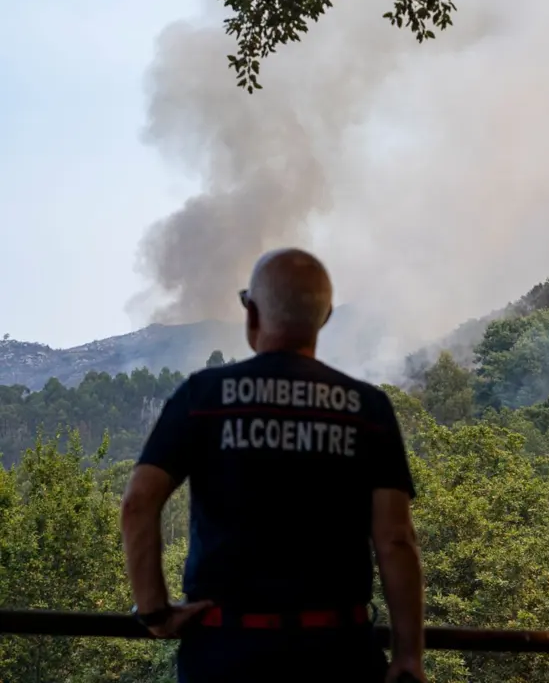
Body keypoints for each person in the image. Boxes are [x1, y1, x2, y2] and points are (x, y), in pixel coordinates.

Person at [120, 248, 425, 683]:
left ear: (252, 314)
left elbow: (138, 503)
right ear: (324, 318)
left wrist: (154, 612)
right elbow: (395, 539)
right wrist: (408, 655)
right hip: (338, 653)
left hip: (224, 653)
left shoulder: (203, 397)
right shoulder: (367, 408)